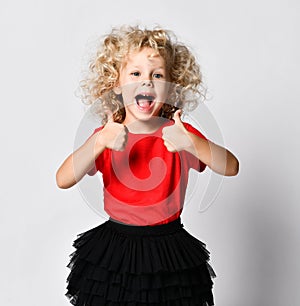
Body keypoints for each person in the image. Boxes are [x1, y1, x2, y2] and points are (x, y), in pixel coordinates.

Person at [56, 25, 239, 306]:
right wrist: (99, 142)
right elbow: (63, 178)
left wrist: (191, 142)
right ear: (116, 84)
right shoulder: (108, 134)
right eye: (136, 74)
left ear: (172, 85)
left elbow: (231, 167)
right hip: (115, 250)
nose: (147, 83)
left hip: (169, 248)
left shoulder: (181, 134)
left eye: (157, 75)